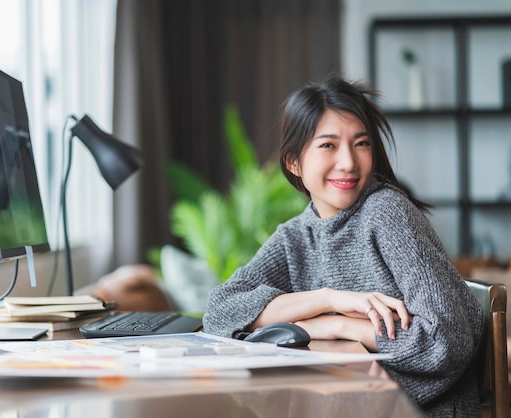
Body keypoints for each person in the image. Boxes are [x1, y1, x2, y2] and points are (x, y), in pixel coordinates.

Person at [202, 76, 484, 417]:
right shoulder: (298, 234)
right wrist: (329, 301)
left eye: (361, 143)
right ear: (293, 162)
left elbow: (444, 345)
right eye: (328, 145)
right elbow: (220, 311)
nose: (349, 162)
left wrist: (341, 325)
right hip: (349, 402)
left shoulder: (386, 213)